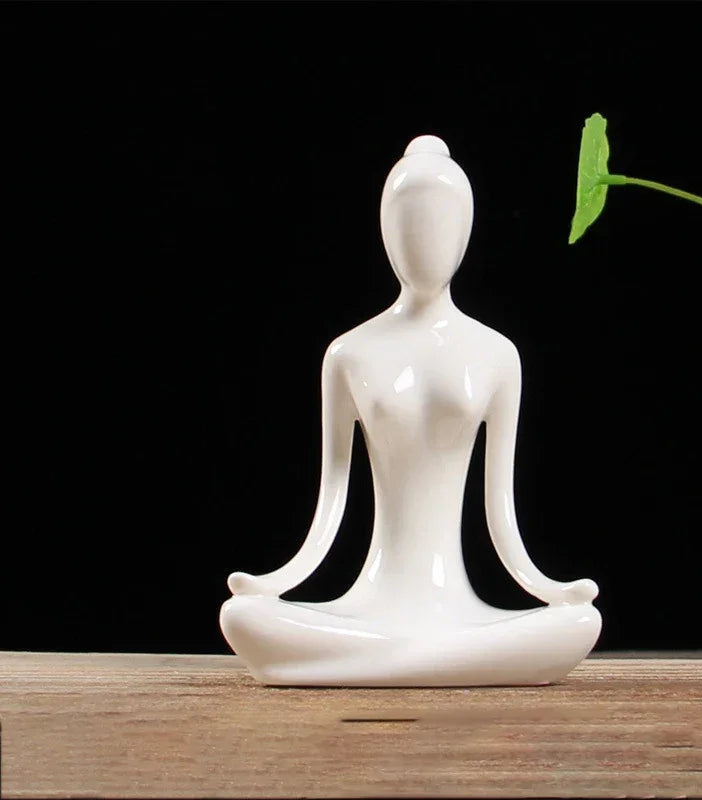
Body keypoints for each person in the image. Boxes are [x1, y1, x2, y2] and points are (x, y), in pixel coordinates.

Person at [220, 135, 600, 685]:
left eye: (443, 221)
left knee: (578, 623)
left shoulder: (495, 355)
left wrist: (549, 590)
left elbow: (501, 513)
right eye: (409, 220)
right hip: (363, 610)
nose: (427, 239)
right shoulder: (350, 353)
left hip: (464, 614)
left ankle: (371, 664)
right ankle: (432, 663)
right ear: (385, 229)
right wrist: (275, 581)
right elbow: (332, 501)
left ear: (467, 231)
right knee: (243, 616)